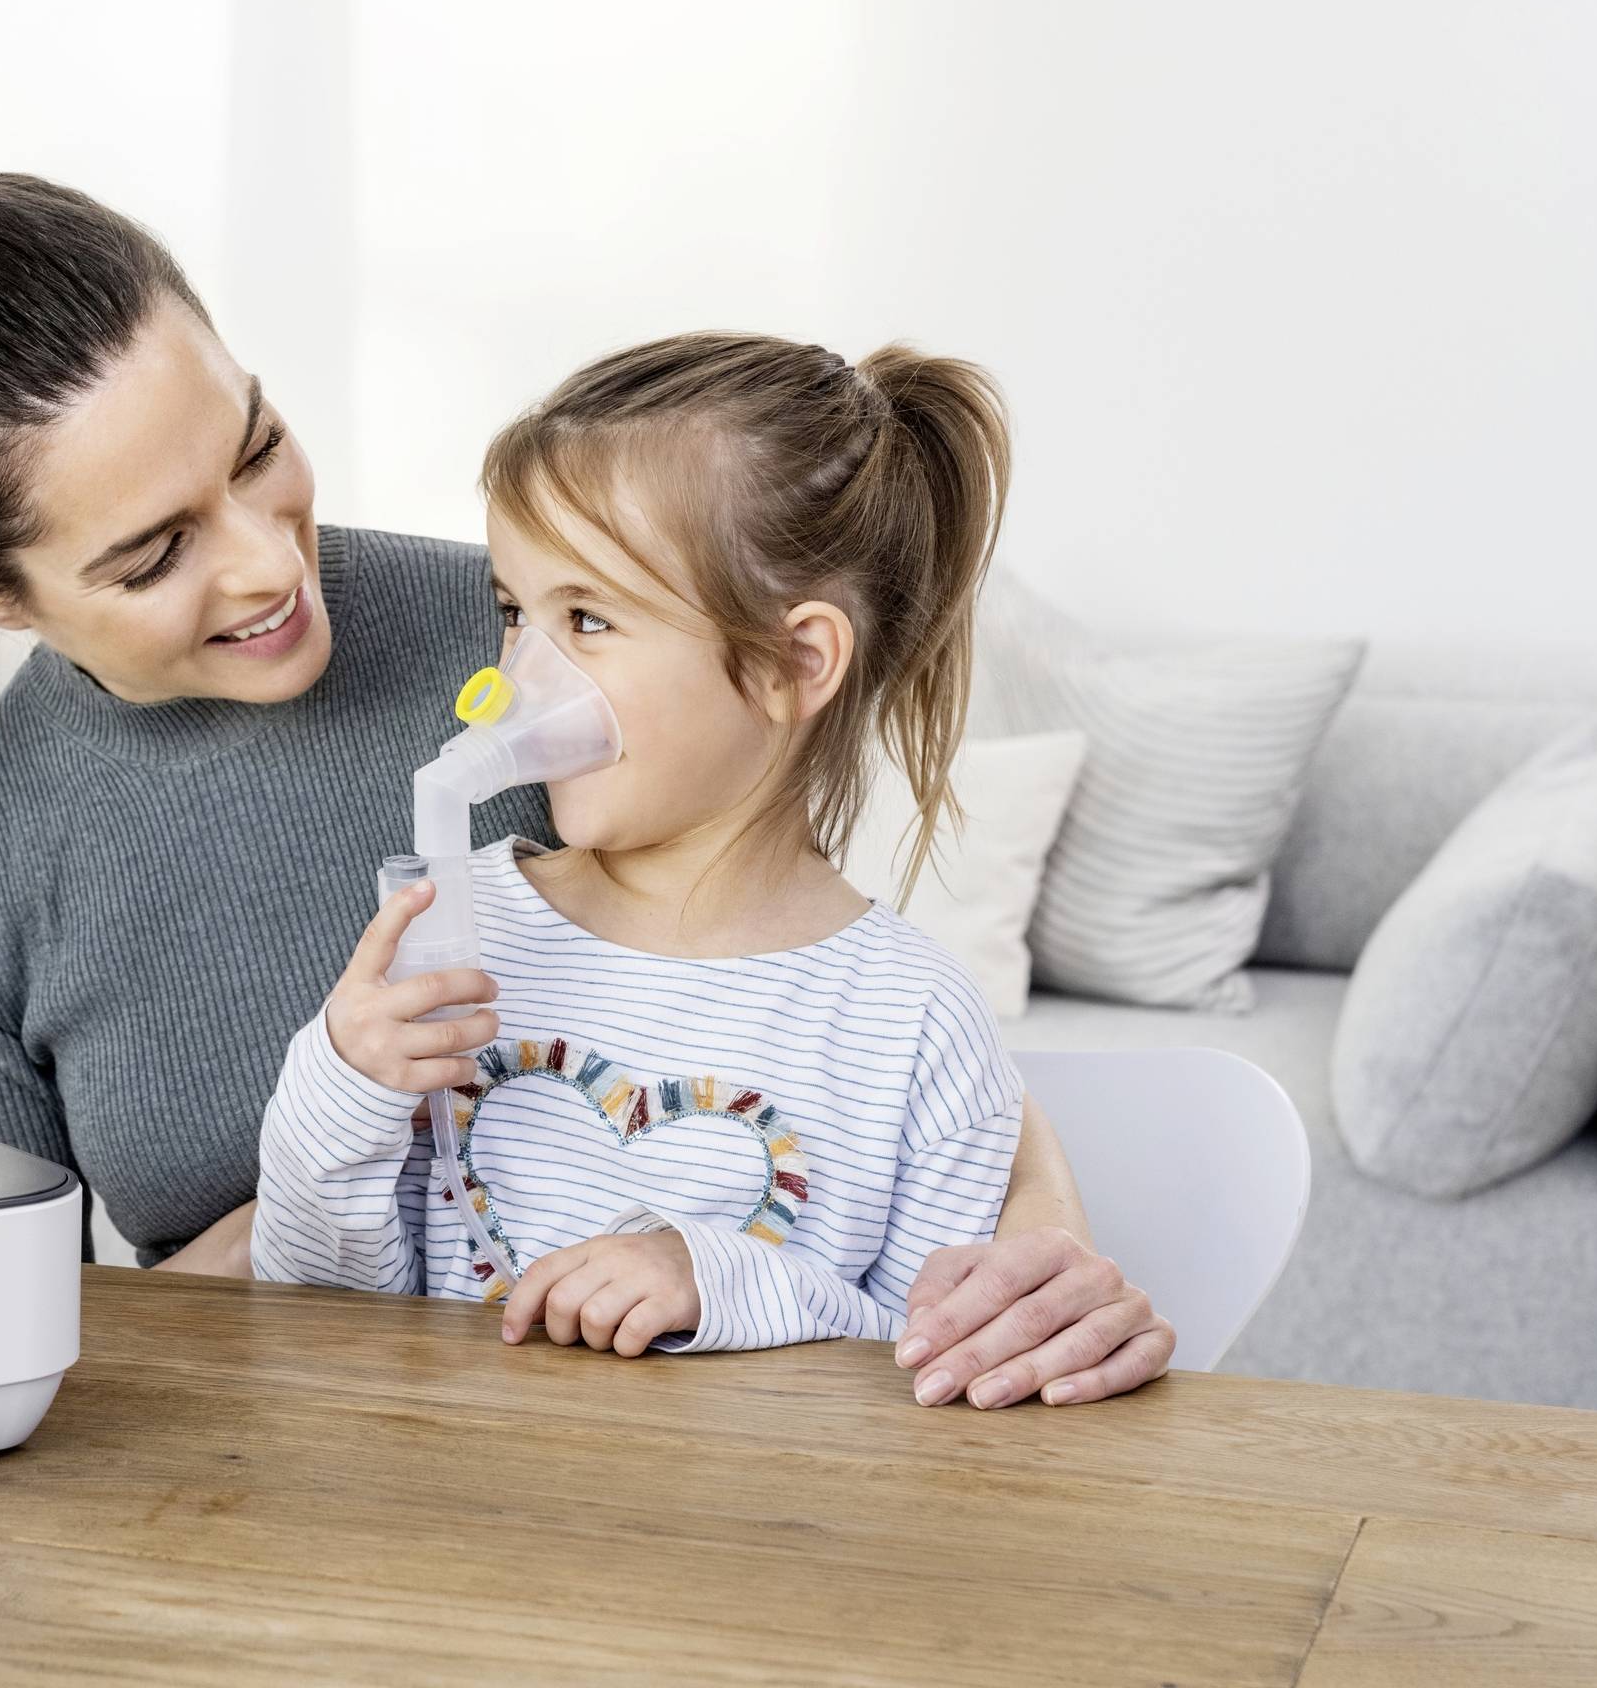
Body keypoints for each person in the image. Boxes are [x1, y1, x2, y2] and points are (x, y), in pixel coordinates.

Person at [0, 172, 1175, 1408]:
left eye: (258, 446)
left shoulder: (529, 619)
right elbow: (12, 1365)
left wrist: (1034, 1241)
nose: (275, 565)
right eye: (154, 554)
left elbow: (807, 1014)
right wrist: (307, 1188)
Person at [258, 332, 1037, 1372]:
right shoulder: (455, 936)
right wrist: (339, 1086)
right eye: (512, 612)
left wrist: (715, 1279)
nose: (518, 677)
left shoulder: (909, 1026)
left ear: (792, 664)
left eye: (586, 617)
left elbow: (932, 1381)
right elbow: (310, 1314)